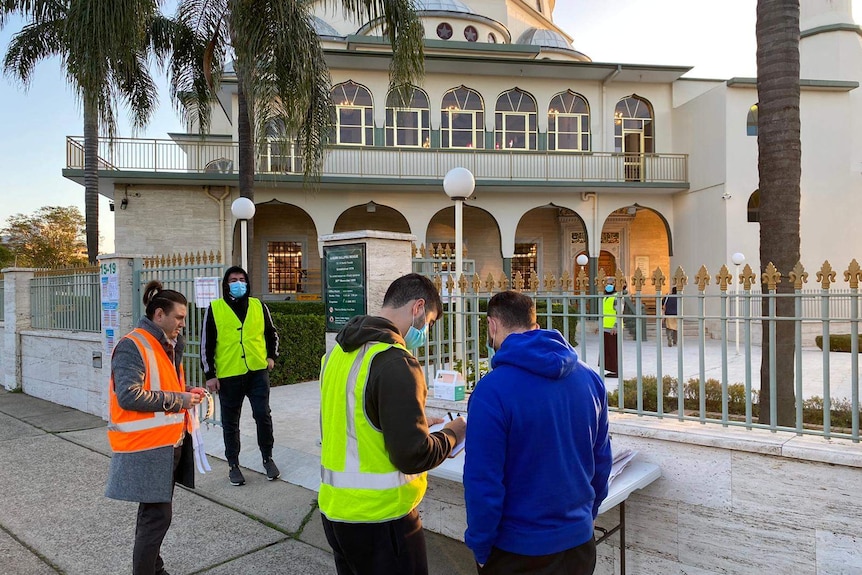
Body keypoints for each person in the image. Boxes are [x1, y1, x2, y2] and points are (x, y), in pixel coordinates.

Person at [318, 273, 467, 575]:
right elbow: (413, 456)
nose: (426, 331)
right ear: (418, 307)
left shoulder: (338, 353)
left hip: (337, 514)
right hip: (383, 522)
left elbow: (353, 419)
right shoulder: (396, 361)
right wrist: (453, 433)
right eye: (430, 321)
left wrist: (406, 419)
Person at [464, 291, 612, 575]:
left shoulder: (491, 391)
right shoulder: (589, 378)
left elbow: (483, 483)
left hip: (517, 551)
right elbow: (602, 460)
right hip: (579, 546)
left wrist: (481, 547)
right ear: (535, 324)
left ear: (492, 326)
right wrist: (586, 517)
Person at [106, 280, 207, 575]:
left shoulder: (166, 346)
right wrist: (180, 399)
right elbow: (129, 395)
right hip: (146, 448)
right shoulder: (132, 345)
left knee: (152, 515)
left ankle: (155, 567)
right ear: (159, 314)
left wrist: (186, 391)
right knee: (157, 518)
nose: (182, 325)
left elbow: (161, 387)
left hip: (166, 446)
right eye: (179, 318)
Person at [201, 266, 280, 486]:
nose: (238, 283)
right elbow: (206, 344)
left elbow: (271, 333)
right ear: (226, 284)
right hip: (229, 374)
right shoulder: (215, 308)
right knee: (230, 422)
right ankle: (233, 464)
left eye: (242, 279)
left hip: (257, 372)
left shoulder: (258, 306)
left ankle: (267, 457)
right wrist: (210, 375)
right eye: (233, 280)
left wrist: (272, 357)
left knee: (263, 415)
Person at [601, 278, 621, 378]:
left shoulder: (617, 297)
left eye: (611, 284)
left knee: (614, 350)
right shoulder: (606, 297)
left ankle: (617, 371)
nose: (608, 286)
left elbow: (619, 313)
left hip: (613, 329)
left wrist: (616, 326)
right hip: (605, 326)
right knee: (607, 349)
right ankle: (611, 369)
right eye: (607, 284)